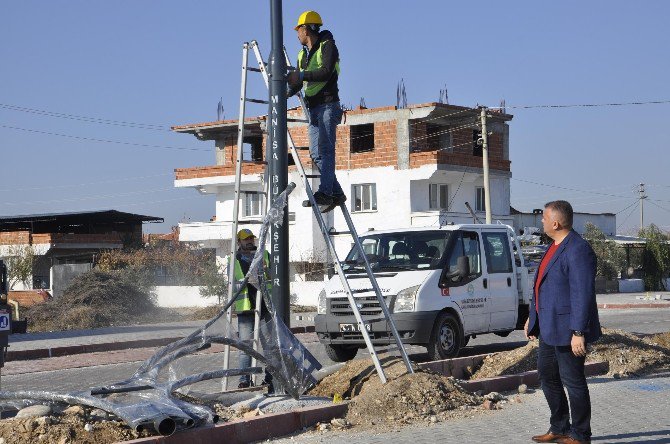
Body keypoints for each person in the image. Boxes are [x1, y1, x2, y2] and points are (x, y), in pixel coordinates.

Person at [524, 201, 602, 444]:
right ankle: (559, 427)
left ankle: (580, 434)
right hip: (548, 328)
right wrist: (532, 316)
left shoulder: (578, 249)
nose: (542, 221)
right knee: (547, 377)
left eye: (545, 218)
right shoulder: (553, 247)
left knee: (573, 382)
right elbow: (543, 288)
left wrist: (578, 331)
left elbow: (583, 293)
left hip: (569, 330)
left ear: (556, 223)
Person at [287, 10, 346, 212]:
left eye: (298, 30)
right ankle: (336, 193)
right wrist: (286, 89)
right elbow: (298, 83)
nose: (297, 34)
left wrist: (301, 75)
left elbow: (325, 72)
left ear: (306, 28)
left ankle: (326, 192)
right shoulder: (302, 54)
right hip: (313, 109)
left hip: (329, 105)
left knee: (326, 149)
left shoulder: (328, 46)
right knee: (315, 153)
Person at [229, 228, 273, 390]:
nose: (249, 241)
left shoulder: (265, 255)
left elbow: (273, 276)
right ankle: (244, 380)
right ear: (239, 241)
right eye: (245, 239)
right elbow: (233, 280)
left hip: (265, 307)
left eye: (251, 238)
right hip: (246, 308)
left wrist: (265, 270)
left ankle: (270, 377)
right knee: (245, 346)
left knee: (269, 346)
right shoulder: (234, 259)